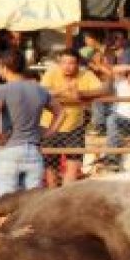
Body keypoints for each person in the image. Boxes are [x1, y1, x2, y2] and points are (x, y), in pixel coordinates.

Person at [0, 50, 64, 193]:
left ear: (3, 67)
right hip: (34, 151)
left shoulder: (2, 90)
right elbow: (60, 112)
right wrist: (49, 132)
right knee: (31, 204)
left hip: (8, 150)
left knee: (5, 202)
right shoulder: (40, 90)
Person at [39, 48, 108, 186]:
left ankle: (65, 196)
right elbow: (42, 91)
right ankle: (52, 196)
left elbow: (103, 90)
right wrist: (63, 90)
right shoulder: (51, 73)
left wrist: (81, 94)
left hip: (75, 127)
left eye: (71, 63)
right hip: (50, 126)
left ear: (78, 64)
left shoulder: (86, 74)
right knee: (50, 164)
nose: (67, 66)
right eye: (64, 62)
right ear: (59, 63)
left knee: (73, 164)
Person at [104, 65, 130, 169]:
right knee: (111, 119)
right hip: (121, 118)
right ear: (127, 76)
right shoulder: (121, 83)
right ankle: (112, 158)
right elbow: (113, 69)